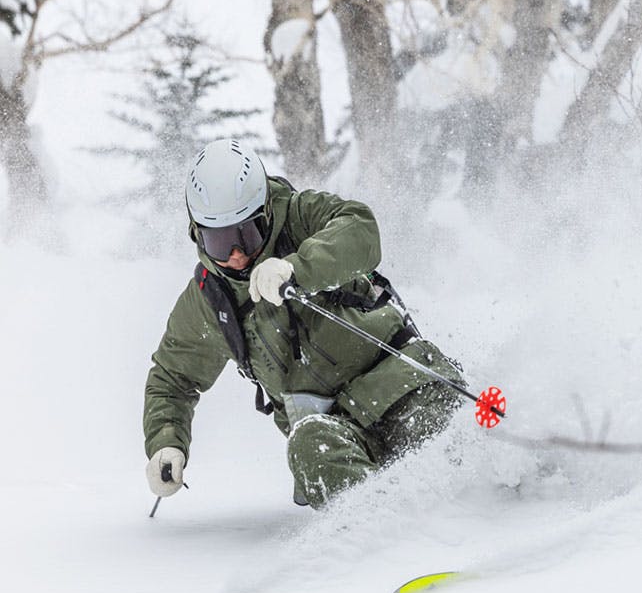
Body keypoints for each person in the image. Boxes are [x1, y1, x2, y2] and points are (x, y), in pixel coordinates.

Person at [143, 138, 463, 508]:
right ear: (197, 234)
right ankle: (384, 533)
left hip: (399, 385)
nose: (236, 255)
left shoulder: (302, 217)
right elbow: (172, 379)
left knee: (452, 446)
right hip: (333, 430)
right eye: (219, 242)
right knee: (309, 446)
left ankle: (502, 503)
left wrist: (298, 268)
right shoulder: (209, 301)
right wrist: (166, 441)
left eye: (247, 235)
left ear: (265, 212)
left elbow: (361, 230)